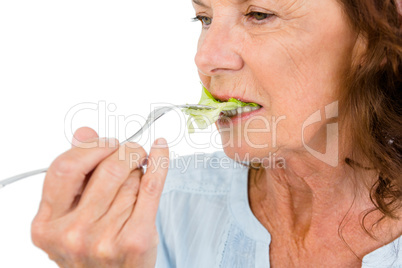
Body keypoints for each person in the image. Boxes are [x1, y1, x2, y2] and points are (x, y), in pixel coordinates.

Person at [31, 0, 402, 267]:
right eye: (204, 18)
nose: (206, 57)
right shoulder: (154, 214)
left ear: (380, 36)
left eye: (260, 14)